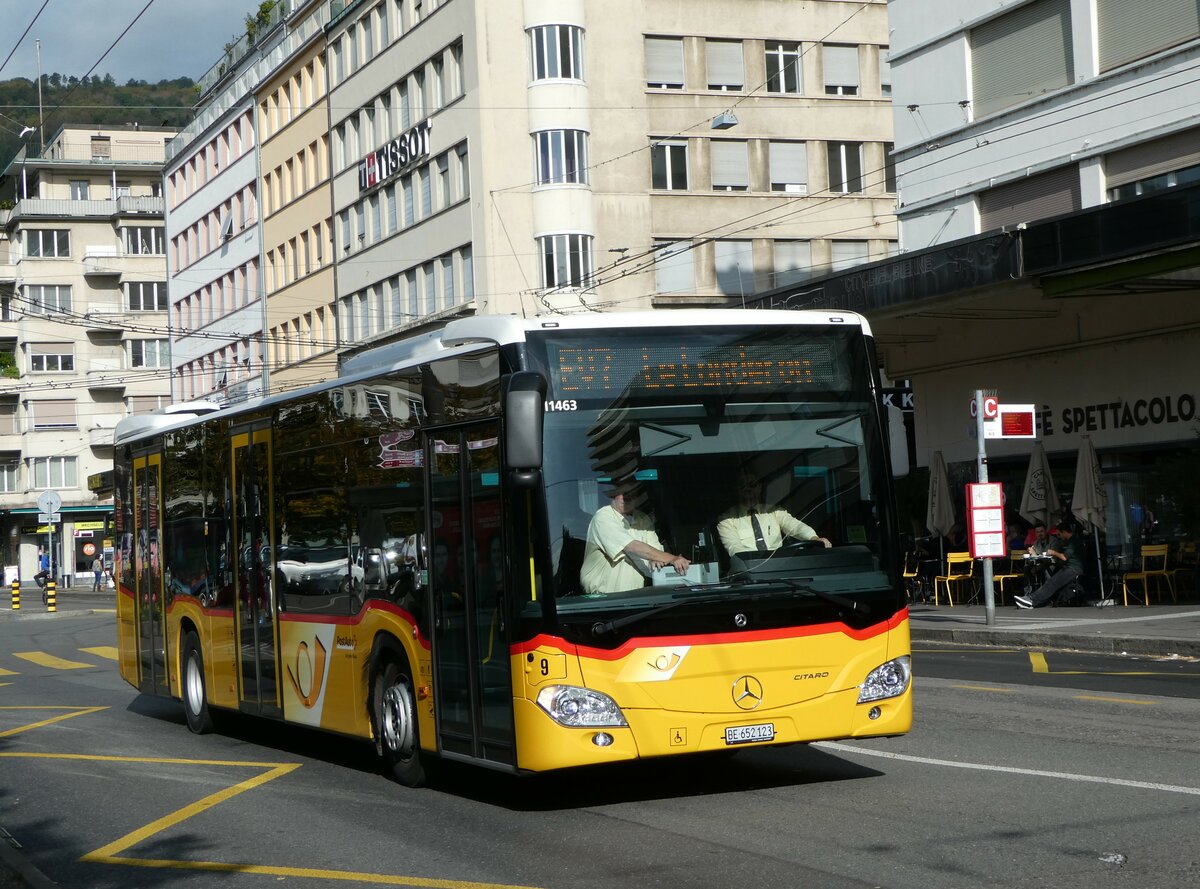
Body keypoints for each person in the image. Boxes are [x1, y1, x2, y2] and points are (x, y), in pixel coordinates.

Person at [580, 479, 690, 595]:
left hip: (636, 597)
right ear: (613, 495)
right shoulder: (603, 517)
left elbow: (656, 553)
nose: (626, 498)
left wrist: (655, 559)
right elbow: (632, 547)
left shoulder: (643, 519)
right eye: (622, 493)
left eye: (630, 494)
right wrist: (673, 559)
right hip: (604, 599)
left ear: (637, 496)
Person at [717, 471, 831, 556]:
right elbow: (735, 549)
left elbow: (795, 526)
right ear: (736, 489)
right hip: (748, 573)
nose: (748, 489)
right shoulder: (726, 520)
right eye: (742, 485)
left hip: (778, 568)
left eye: (752, 484)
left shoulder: (774, 511)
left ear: (760, 487)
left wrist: (814, 538)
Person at [1015, 520, 1085, 608]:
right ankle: (1032, 598)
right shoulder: (1071, 540)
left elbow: (1064, 557)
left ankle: (1032, 600)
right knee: (1051, 580)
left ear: (1064, 532)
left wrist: (1054, 553)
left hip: (1073, 568)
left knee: (1052, 582)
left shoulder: (1073, 542)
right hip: (1068, 567)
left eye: (1059, 534)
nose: (1059, 537)